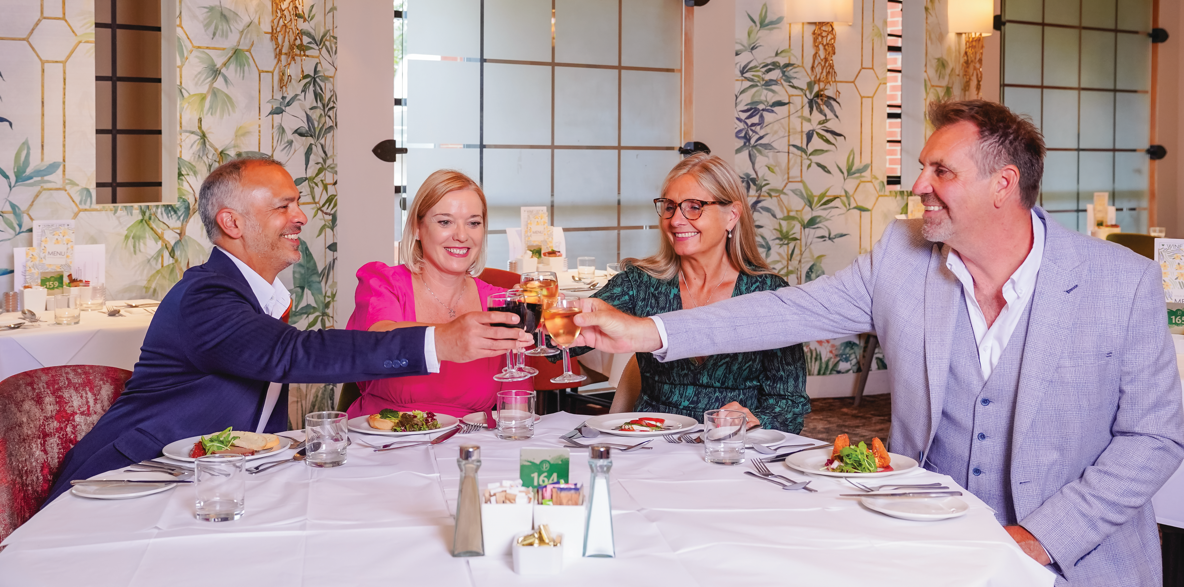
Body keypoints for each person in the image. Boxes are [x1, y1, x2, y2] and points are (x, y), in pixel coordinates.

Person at [573, 101, 1184, 586]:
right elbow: (788, 310)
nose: (918, 184)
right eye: (923, 166)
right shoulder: (902, 255)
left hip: (1073, 563)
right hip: (924, 543)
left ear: (1004, 184)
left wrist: (1035, 541)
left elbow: (1154, 439)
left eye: (941, 171)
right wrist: (648, 330)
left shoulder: (1119, 281)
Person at [45, 159, 529, 504]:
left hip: (214, 481)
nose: (300, 217)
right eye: (283, 206)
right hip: (129, 483)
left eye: (297, 203)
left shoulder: (260, 296)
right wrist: (438, 341)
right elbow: (290, 356)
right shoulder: (207, 297)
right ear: (231, 222)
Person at [571, 154, 808, 432]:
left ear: (732, 215)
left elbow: (790, 406)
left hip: (730, 451)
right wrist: (523, 320)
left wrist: (757, 420)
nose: (676, 220)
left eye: (694, 207)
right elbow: (558, 341)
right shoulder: (641, 283)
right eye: (670, 207)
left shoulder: (768, 293)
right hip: (650, 445)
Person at [344, 170, 528, 419]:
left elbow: (516, 406)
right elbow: (378, 341)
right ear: (418, 228)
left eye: (473, 223)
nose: (462, 236)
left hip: (471, 445)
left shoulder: (501, 303)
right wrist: (451, 333)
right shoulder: (384, 283)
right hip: (386, 440)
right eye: (445, 222)